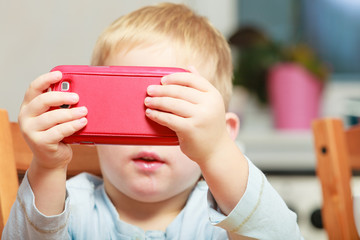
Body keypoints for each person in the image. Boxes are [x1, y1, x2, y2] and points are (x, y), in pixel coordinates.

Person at [2, 3, 303, 239]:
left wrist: (216, 151)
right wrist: (47, 166)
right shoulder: (69, 207)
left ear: (225, 133)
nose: (147, 134)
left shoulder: (224, 219)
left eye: (175, 115)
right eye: (128, 110)